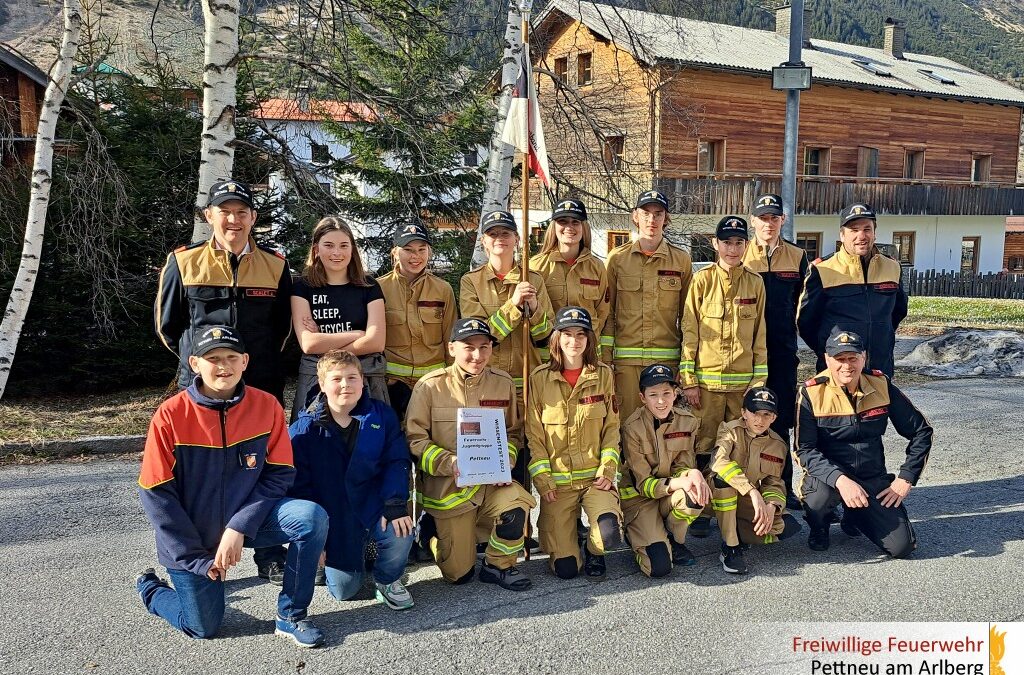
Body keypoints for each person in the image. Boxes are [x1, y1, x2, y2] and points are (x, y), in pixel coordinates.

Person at [135, 326, 328, 647]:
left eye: (231, 357)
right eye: (213, 358)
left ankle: (291, 615)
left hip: (250, 525)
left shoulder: (266, 406)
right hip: (192, 539)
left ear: (245, 361)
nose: (223, 365)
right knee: (203, 627)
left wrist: (239, 527)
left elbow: (279, 474)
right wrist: (197, 559)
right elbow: (157, 496)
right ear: (194, 363)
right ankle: (151, 589)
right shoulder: (170, 415)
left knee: (311, 517)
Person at [154, 179, 293, 584]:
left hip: (260, 384)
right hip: (200, 388)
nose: (234, 219)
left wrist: (254, 366)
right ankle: (194, 556)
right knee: (197, 471)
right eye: (225, 211)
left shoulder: (276, 265)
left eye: (242, 212)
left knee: (264, 465)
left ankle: (267, 549)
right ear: (208, 216)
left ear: (253, 218)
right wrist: (203, 368)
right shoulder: (183, 262)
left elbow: (282, 328)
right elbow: (168, 326)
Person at [405, 317, 537, 591]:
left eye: (484, 347)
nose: (477, 356)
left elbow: (513, 433)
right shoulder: (429, 386)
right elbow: (415, 440)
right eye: (469, 347)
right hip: (450, 490)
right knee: (458, 575)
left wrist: (506, 461)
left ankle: (498, 565)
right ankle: (432, 533)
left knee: (517, 505)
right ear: (452, 348)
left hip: (491, 485)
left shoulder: (503, 383)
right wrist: (449, 462)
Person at [288, 349, 415, 610]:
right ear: (322, 384)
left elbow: (396, 461)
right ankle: (335, 560)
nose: (345, 385)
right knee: (345, 591)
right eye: (336, 379)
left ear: (363, 381)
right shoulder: (303, 430)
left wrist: (393, 504)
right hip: (333, 519)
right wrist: (314, 539)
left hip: (372, 507)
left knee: (401, 531)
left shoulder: (382, 416)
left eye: (352, 378)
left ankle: (387, 579)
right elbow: (300, 488)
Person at [795, 328, 932, 558]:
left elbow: (921, 431)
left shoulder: (881, 384)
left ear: (864, 357)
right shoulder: (811, 393)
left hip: (871, 477)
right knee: (818, 500)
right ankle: (820, 527)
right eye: (839, 359)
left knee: (902, 547)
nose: (846, 365)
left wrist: (907, 477)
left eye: (853, 358)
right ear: (827, 360)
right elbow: (804, 450)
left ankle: (855, 515)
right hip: (830, 477)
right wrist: (841, 480)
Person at [681, 216, 767, 536]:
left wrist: (758, 387)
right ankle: (702, 510)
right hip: (706, 388)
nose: (733, 248)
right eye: (726, 242)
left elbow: (760, 336)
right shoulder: (701, 281)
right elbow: (690, 332)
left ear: (747, 245)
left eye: (739, 242)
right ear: (715, 244)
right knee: (703, 445)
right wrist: (688, 380)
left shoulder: (755, 283)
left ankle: (732, 508)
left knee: (737, 448)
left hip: (742, 388)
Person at [525, 307, 621, 580]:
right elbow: (534, 434)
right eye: (567, 334)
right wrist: (543, 479)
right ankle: (571, 538)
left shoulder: (603, 375)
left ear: (590, 339)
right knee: (566, 570)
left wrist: (608, 468)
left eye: (581, 334)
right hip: (559, 485)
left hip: (594, 479)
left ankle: (593, 549)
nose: (574, 341)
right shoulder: (539, 378)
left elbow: (612, 428)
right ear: (556, 337)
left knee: (609, 536)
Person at [742, 194, 808, 509]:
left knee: (779, 422)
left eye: (774, 218)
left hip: (782, 354)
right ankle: (742, 489)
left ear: (782, 220)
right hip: (745, 354)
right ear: (752, 221)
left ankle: (784, 487)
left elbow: (805, 306)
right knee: (742, 420)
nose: (768, 224)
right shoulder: (740, 255)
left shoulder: (797, 257)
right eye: (762, 218)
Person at [604, 190, 692, 421]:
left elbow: (689, 318)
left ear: (666, 218)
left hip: (666, 361)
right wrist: (606, 362)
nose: (651, 220)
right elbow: (607, 314)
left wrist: (686, 364)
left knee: (664, 427)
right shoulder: (617, 259)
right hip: (626, 365)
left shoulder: (681, 260)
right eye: (646, 213)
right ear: (635, 216)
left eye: (658, 214)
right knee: (627, 425)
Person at [291, 216, 386, 421]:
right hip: (316, 380)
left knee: (367, 442)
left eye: (344, 245)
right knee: (313, 442)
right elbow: (308, 344)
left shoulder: (369, 286)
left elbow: (376, 341)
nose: (337, 252)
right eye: (329, 245)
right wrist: (357, 334)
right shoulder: (303, 287)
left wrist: (325, 342)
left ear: (352, 249)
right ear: (316, 249)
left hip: (364, 377)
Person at [797, 203, 908, 378]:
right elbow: (806, 322)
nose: (861, 236)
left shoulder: (892, 267)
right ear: (842, 235)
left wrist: (879, 335)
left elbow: (898, 312)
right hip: (838, 370)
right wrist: (829, 350)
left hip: (880, 369)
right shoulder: (823, 269)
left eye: (867, 229)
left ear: (874, 232)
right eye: (854, 230)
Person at [619, 364, 710, 578]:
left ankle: (675, 540)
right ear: (642, 397)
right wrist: (678, 483)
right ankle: (635, 533)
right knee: (659, 568)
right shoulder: (631, 428)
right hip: (640, 501)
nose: (661, 401)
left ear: (675, 393)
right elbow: (643, 484)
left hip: (666, 495)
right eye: (653, 395)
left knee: (695, 494)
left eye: (666, 393)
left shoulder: (687, 422)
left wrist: (692, 474)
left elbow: (684, 466)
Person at [709, 386, 802, 576]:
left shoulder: (778, 445)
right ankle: (731, 547)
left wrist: (772, 505)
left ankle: (737, 530)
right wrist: (752, 491)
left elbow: (773, 482)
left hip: (746, 500)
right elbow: (719, 462)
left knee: (783, 527)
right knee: (723, 481)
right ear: (743, 412)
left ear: (774, 417)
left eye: (767, 414)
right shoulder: (729, 430)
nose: (760, 420)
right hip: (714, 495)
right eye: (754, 413)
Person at [460, 210, 554, 394]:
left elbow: (546, 337)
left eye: (506, 233)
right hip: (488, 383)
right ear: (483, 241)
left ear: (517, 239)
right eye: (493, 234)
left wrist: (535, 309)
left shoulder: (533, 280)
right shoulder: (470, 281)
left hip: (528, 385)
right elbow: (478, 336)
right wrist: (514, 304)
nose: (499, 238)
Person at [377, 221, 457, 421]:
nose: (416, 256)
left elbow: (451, 340)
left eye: (422, 249)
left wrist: (453, 382)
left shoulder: (443, 289)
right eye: (408, 250)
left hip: (434, 385)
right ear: (395, 252)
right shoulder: (378, 288)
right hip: (393, 386)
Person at [529, 199, 610, 358]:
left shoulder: (597, 267)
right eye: (563, 221)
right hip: (550, 356)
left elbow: (602, 313)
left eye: (575, 222)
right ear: (554, 226)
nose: (569, 227)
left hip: (586, 354)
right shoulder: (536, 266)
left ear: (584, 227)